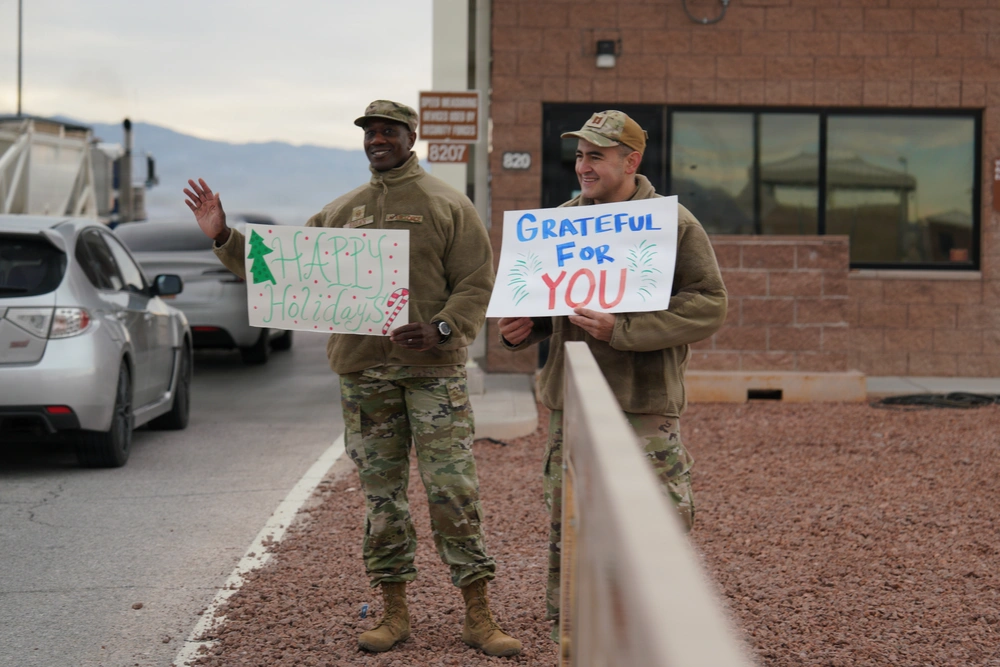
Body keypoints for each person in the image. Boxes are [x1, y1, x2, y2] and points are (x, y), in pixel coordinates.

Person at [184, 100, 521, 658]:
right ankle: (392, 611)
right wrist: (224, 236)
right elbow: (284, 267)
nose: (376, 140)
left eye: (388, 131)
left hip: (432, 374)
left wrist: (439, 328)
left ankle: (478, 614)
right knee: (381, 499)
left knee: (453, 491)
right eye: (369, 132)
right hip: (365, 377)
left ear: (411, 136)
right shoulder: (343, 211)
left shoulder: (446, 205)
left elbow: (476, 284)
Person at [497, 110, 728, 640]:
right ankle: (575, 629)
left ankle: (656, 626)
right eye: (580, 155)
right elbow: (550, 302)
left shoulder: (673, 223)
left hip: (641, 399)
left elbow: (709, 305)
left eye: (595, 155)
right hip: (571, 399)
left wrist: (621, 328)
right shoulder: (560, 221)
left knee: (659, 516)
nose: (583, 166)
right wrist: (528, 325)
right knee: (570, 512)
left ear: (631, 161)